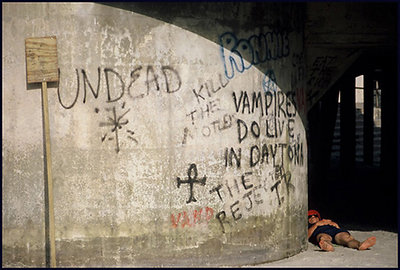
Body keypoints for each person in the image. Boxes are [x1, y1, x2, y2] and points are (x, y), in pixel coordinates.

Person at [307, 209, 376, 252]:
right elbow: (306, 236)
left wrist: (334, 224)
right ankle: (328, 246)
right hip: (320, 232)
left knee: (346, 237)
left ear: (318, 217)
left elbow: (338, 228)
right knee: (323, 238)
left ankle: (359, 245)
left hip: (334, 231)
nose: (313, 217)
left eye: (315, 215)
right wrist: (316, 225)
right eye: (310, 216)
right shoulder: (308, 226)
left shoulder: (325, 221)